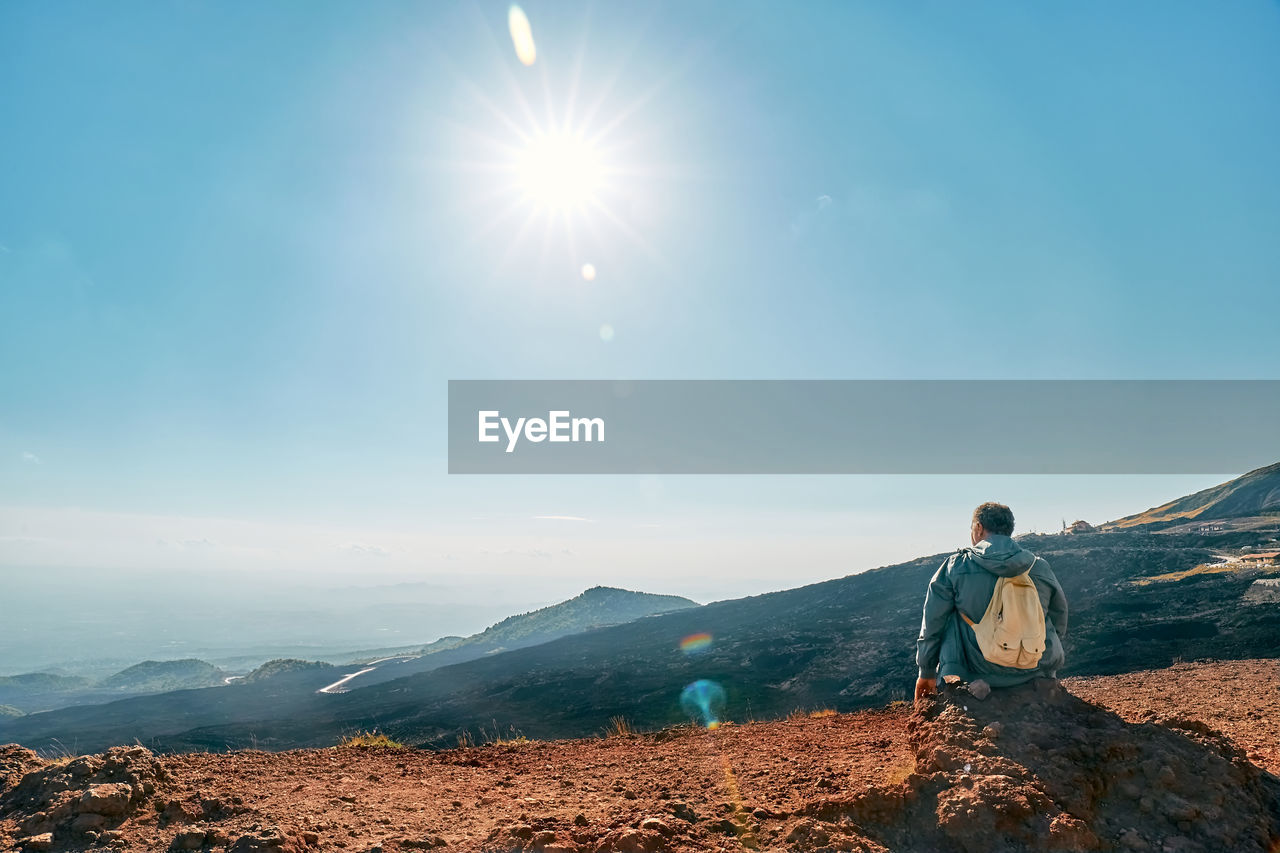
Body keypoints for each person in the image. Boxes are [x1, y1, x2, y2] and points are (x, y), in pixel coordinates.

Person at [914, 502, 1068, 702]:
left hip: (979, 668)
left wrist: (926, 671)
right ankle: (1041, 678)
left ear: (978, 528)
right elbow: (1059, 617)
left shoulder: (956, 566)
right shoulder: (1039, 566)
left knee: (948, 615)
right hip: (1034, 665)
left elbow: (932, 623)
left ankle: (958, 682)